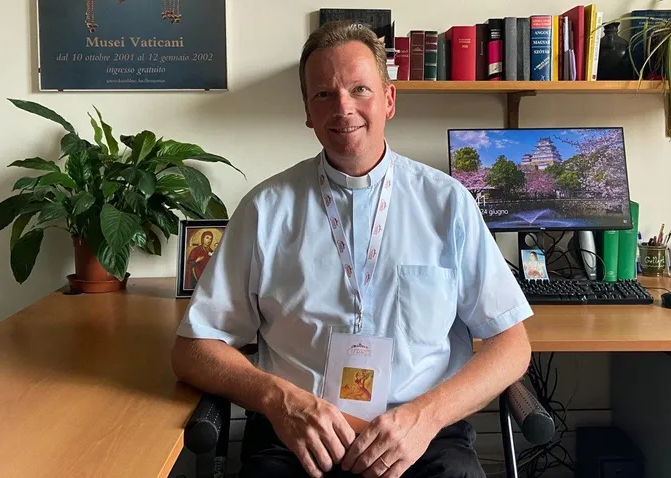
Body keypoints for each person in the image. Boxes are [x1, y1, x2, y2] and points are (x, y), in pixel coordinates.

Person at [171, 20, 533, 478]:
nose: (343, 107)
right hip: (296, 436)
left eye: (360, 89)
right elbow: (193, 349)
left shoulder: (447, 203)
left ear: (389, 99)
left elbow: (512, 345)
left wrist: (425, 417)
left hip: (421, 438)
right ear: (307, 111)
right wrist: (279, 400)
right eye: (324, 94)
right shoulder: (265, 210)